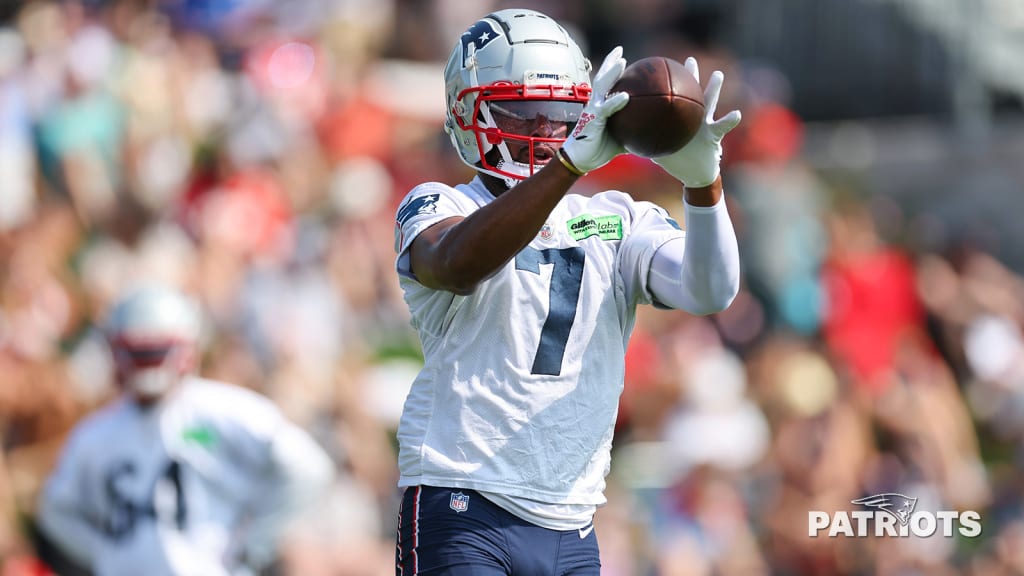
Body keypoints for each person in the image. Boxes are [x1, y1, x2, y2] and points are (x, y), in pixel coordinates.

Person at [392, 8, 742, 575]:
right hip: (461, 498)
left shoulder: (621, 217)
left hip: (571, 518)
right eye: (523, 113)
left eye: (560, 116)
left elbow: (710, 291)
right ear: (467, 111)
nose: (547, 131)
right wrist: (569, 166)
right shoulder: (442, 204)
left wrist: (704, 183)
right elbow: (457, 264)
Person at [35, 283, 335, 576]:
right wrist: (106, 556)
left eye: (156, 351)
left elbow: (308, 468)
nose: (147, 363)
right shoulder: (95, 435)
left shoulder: (224, 413)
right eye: (138, 351)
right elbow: (56, 511)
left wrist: (254, 543)